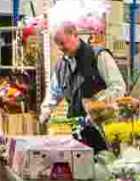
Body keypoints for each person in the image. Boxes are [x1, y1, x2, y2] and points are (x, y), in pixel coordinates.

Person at [50, 22, 116, 154]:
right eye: (58, 45)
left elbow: (118, 87)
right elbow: (54, 94)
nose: (60, 48)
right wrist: (45, 112)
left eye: (63, 43)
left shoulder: (98, 56)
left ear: (75, 35)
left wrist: (96, 106)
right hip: (77, 133)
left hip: (103, 131)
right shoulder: (60, 66)